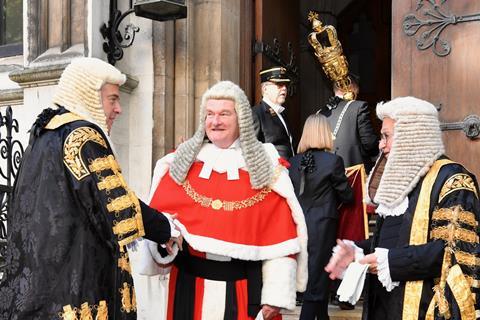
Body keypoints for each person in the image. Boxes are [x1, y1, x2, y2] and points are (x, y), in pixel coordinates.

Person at [0, 58, 178, 320]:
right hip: (75, 290)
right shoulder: (83, 136)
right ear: (90, 95)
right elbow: (116, 206)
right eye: (112, 99)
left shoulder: (45, 133)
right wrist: (166, 229)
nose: (118, 109)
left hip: (39, 288)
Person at [131, 80, 308, 320]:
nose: (215, 121)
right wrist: (165, 242)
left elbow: (281, 240)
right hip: (187, 289)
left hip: (243, 291)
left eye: (224, 114)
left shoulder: (266, 167)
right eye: (210, 114)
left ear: (242, 119)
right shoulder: (179, 164)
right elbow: (159, 229)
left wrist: (275, 295)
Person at [325, 96, 480, 319]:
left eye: (386, 136)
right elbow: (395, 240)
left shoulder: (452, 180)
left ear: (411, 137)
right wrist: (359, 250)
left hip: (423, 308)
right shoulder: (401, 182)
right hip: (385, 305)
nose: (381, 145)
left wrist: (388, 262)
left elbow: (450, 252)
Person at [289, 114, 353, 320]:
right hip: (323, 226)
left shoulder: (293, 161)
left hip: (298, 224)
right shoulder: (333, 161)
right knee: (317, 279)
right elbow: (347, 196)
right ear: (325, 134)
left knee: (312, 276)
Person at [318, 75, 378, 172]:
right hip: (351, 171)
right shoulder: (359, 107)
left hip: (325, 172)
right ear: (352, 87)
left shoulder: (319, 112)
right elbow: (369, 142)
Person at [252, 67, 295, 159]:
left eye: (285, 85)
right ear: (265, 89)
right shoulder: (255, 114)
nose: (284, 88)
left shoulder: (282, 113)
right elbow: (251, 151)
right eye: (279, 85)